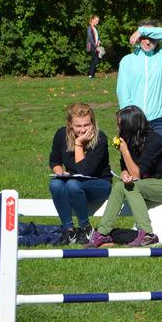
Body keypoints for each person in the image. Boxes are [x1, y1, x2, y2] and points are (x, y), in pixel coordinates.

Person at [86, 106, 162, 248]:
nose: (117, 128)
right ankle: (103, 233)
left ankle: (147, 234)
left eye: (119, 125)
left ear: (130, 125)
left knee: (132, 186)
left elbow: (136, 174)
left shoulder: (154, 141)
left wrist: (125, 152)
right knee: (119, 186)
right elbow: (126, 169)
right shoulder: (130, 140)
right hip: (147, 184)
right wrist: (124, 175)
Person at [49, 103, 112, 245]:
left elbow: (85, 171)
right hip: (75, 182)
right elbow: (54, 160)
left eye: (87, 125)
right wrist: (59, 171)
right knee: (55, 184)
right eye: (78, 126)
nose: (83, 130)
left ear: (93, 123)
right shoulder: (61, 134)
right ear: (70, 124)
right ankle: (68, 230)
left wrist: (78, 144)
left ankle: (85, 228)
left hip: (100, 184)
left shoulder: (100, 138)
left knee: (72, 185)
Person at [116, 21, 162, 141]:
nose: (148, 41)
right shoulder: (127, 60)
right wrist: (129, 116)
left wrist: (142, 30)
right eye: (144, 37)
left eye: (152, 37)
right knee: (136, 157)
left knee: (161, 158)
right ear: (138, 39)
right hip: (134, 120)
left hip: (159, 120)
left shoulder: (161, 57)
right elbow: (122, 91)